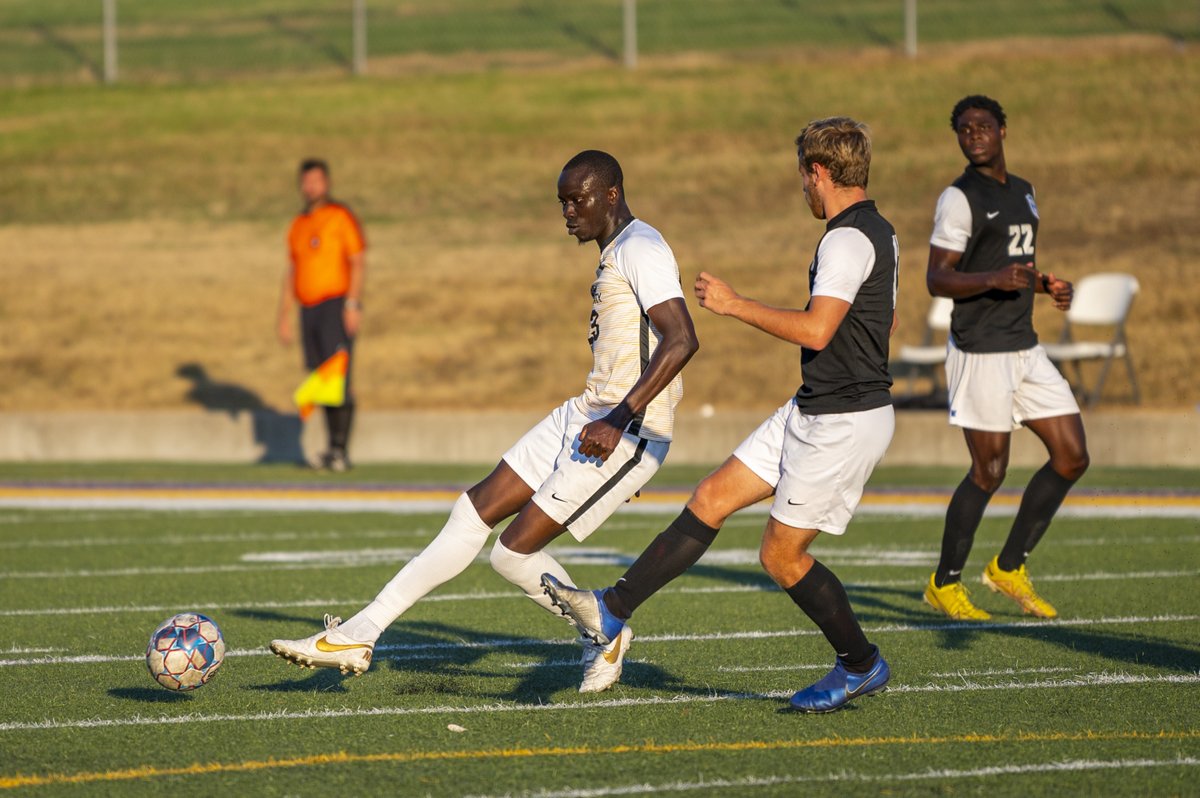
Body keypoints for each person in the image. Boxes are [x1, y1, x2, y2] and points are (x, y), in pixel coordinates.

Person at [270, 150, 699, 693]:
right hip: (588, 412)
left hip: (629, 431)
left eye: (577, 199)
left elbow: (682, 338)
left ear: (612, 194)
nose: (568, 211)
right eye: (562, 202)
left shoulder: (641, 247)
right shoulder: (615, 249)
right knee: (470, 511)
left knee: (510, 554)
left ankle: (604, 632)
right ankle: (362, 631)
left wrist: (619, 417)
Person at [544, 118, 899, 712]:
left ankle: (860, 664)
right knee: (710, 497)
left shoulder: (845, 238)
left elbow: (817, 327)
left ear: (818, 172)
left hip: (845, 417)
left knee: (781, 556)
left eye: (803, 177)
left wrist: (735, 306)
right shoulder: (877, 230)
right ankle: (613, 608)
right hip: (815, 404)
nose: (802, 190)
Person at [920, 95, 1089, 621]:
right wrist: (991, 280)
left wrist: (1046, 283)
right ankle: (944, 583)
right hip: (980, 350)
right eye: (964, 129)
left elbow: (1014, 262)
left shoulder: (1024, 193)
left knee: (1072, 456)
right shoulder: (958, 198)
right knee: (989, 471)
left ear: (1003, 130)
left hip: (1024, 345)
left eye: (983, 125)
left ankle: (1008, 567)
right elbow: (937, 277)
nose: (974, 134)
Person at [277, 159, 366, 472]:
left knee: (338, 377)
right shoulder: (299, 224)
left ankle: (340, 450)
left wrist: (352, 304)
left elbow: (357, 260)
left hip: (335, 305)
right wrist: (284, 314)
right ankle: (331, 450)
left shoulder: (340, 217)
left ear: (326, 183)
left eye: (316, 180)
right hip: (309, 309)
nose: (310, 187)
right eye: (306, 181)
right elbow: (292, 270)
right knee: (322, 379)